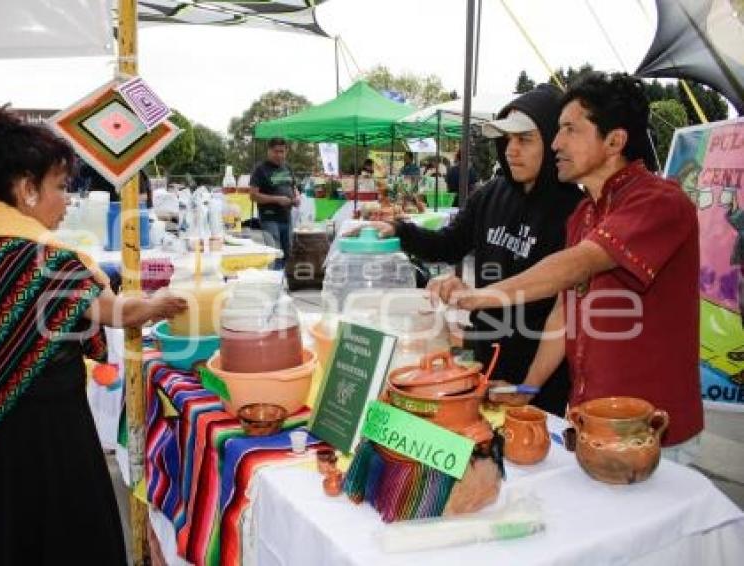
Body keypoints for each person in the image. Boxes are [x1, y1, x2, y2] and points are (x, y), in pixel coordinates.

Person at [0, 108, 187, 561]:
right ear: (26, 189)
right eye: (60, 187)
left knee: (20, 542)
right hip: (52, 435)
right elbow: (113, 312)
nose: (67, 200)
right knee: (77, 542)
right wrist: (161, 305)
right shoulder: (38, 259)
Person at [449, 73, 703, 460]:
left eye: (570, 129)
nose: (556, 142)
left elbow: (578, 263)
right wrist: (528, 389)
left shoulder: (659, 201)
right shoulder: (584, 213)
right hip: (587, 423)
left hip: (654, 435)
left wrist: (480, 297)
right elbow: (563, 312)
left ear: (615, 141)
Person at [356, 84, 584, 416]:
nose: (511, 150)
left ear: (553, 141)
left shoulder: (576, 211)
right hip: (483, 359)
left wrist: (531, 385)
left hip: (539, 371)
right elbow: (448, 244)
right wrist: (400, 230)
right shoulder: (490, 194)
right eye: (506, 139)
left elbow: (565, 310)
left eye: (524, 140)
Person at [249, 138, 300, 269]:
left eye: (282, 152)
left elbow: (294, 187)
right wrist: (277, 199)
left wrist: (296, 197)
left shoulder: (287, 167)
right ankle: (275, 283)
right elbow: (253, 195)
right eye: (276, 152)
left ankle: (286, 283)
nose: (279, 155)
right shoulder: (260, 169)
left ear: (286, 152)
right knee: (274, 253)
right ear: (269, 151)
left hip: (286, 217)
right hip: (269, 218)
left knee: (288, 252)